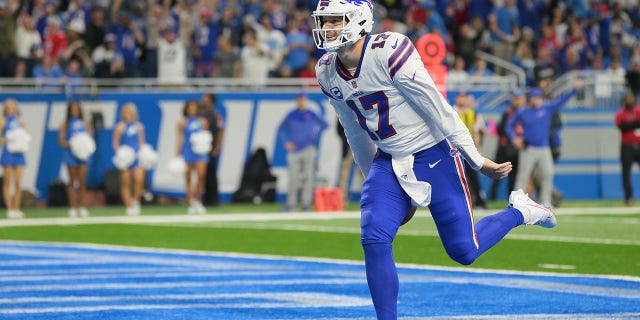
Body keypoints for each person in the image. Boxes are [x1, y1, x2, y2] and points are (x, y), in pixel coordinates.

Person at [311, 1, 556, 319]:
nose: (326, 28)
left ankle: (521, 212)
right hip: (390, 160)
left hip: (434, 155)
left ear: (358, 21)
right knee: (373, 235)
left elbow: (438, 109)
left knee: (464, 251)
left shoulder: (389, 49)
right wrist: (372, 177)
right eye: (324, 21)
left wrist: (476, 159)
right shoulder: (327, 70)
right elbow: (354, 132)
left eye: (334, 20)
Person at [507, 83, 581, 207]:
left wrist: (574, 90)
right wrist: (514, 138)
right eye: (533, 98)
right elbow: (509, 126)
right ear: (530, 98)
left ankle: (545, 201)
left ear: (541, 98)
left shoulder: (547, 108)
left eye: (538, 97)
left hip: (544, 148)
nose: (536, 100)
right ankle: (516, 202)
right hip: (528, 148)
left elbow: (562, 100)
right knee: (523, 175)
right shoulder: (523, 112)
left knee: (548, 173)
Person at [277, 91, 328, 212]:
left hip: (308, 148)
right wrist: (286, 142)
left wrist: (315, 135)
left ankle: (306, 203)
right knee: (293, 177)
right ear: (297, 101)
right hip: (294, 150)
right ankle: (291, 204)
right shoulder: (291, 115)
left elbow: (325, 124)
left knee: (308, 177)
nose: (301, 102)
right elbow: (281, 129)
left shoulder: (311, 114)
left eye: (302, 99)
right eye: (299, 99)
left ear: (305, 100)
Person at [489, 88, 526, 200]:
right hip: (504, 148)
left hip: (517, 149)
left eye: (519, 98)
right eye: (515, 98)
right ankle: (493, 197)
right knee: (498, 173)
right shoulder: (508, 113)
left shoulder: (525, 112)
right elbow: (502, 130)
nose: (517, 101)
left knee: (514, 176)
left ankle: (512, 198)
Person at [453, 92, 487, 209]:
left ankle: (479, 201)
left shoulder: (473, 113)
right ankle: (457, 202)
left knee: (473, 177)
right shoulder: (451, 111)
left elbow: (478, 131)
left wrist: (476, 149)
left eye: (464, 97)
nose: (462, 100)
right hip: (454, 151)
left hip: (468, 150)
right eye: (460, 97)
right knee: (456, 176)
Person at [58, 101, 92, 217]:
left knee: (82, 181)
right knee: (72, 181)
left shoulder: (85, 122)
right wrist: (72, 144)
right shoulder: (66, 123)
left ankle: (82, 206)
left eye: (76, 108)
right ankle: (72, 207)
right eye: (72, 108)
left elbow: (89, 138)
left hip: (83, 156)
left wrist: (83, 145)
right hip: (71, 154)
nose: (75, 110)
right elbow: (61, 140)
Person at [112, 102, 146, 215]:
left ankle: (136, 202)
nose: (125, 114)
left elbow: (141, 142)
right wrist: (121, 155)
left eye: (128, 112)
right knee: (125, 182)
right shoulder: (119, 127)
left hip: (136, 157)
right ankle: (128, 206)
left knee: (139, 179)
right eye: (124, 112)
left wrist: (144, 153)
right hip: (125, 157)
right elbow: (115, 144)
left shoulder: (139, 126)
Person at [176, 100, 209, 214]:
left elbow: (206, 137)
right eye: (190, 107)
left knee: (201, 175)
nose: (192, 109)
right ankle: (190, 201)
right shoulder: (182, 122)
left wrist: (205, 147)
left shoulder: (203, 122)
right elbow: (180, 139)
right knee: (188, 177)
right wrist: (177, 154)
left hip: (200, 151)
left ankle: (198, 199)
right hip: (188, 151)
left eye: (194, 107)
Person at [0, 99, 27, 219]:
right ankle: (10, 208)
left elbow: (25, 135)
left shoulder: (20, 120)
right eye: (8, 107)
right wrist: (7, 140)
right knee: (7, 182)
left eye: (13, 107)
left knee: (18, 182)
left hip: (19, 153)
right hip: (8, 152)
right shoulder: (2, 120)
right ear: (5, 109)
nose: (11, 109)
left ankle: (16, 208)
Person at [615, 91, 640, 206]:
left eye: (631, 98)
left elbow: (629, 125)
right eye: (627, 98)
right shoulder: (620, 114)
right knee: (626, 173)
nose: (629, 100)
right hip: (626, 146)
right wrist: (634, 124)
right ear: (624, 100)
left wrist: (630, 124)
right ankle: (629, 197)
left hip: (638, 145)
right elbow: (622, 127)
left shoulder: (638, 111)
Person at [200, 93, 224, 206]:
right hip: (200, 148)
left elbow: (220, 132)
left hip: (211, 148)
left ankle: (213, 198)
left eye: (206, 99)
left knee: (211, 174)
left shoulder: (216, 115)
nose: (204, 101)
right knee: (202, 174)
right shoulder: (200, 115)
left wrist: (216, 148)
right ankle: (204, 198)